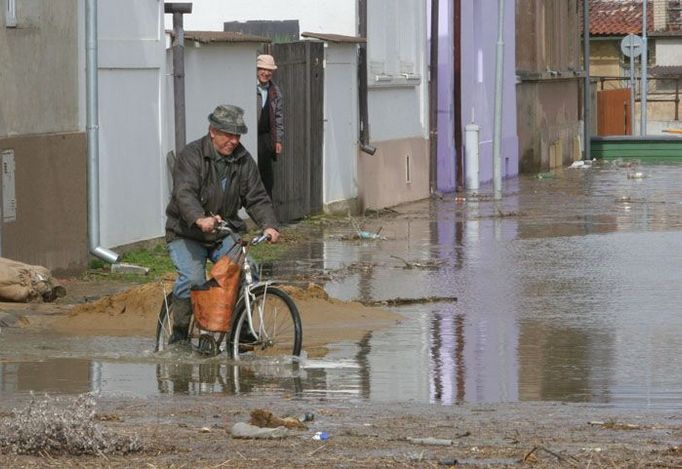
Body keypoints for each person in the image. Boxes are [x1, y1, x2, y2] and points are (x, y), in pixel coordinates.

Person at [165, 104, 280, 344]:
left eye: (237, 135)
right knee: (193, 279)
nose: (234, 140)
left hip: (222, 233)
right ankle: (179, 332)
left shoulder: (243, 160)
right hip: (186, 232)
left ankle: (241, 328)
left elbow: (256, 197)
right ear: (212, 131)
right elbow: (184, 193)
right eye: (228, 134)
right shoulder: (191, 155)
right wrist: (199, 218)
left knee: (248, 270)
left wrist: (269, 225)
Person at [256, 53, 284, 199]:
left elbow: (279, 117)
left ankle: (268, 212)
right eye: (263, 69)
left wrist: (278, 140)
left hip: (266, 137)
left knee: (267, 177)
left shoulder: (275, 91)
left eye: (269, 71)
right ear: (256, 69)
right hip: (251, 136)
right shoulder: (250, 87)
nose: (266, 73)